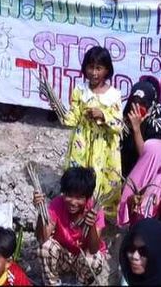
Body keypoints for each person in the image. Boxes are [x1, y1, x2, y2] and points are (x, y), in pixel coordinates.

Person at [63, 46, 122, 212]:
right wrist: (59, 110)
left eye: (99, 68)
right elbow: (72, 118)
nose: (94, 73)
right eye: (90, 67)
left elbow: (119, 125)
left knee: (98, 178)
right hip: (81, 142)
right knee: (78, 176)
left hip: (102, 146)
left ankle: (95, 214)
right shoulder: (80, 90)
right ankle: (76, 208)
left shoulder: (114, 95)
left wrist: (103, 115)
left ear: (107, 70)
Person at [33, 166, 110, 285]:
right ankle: (52, 283)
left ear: (87, 197)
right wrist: (40, 212)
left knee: (94, 260)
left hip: (82, 258)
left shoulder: (94, 210)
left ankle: (81, 282)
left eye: (79, 198)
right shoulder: (57, 204)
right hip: (63, 257)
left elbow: (94, 249)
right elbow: (42, 238)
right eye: (69, 195)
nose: (73, 202)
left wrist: (91, 225)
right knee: (44, 248)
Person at [117, 140, 161, 239]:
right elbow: (127, 206)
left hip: (156, 214)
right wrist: (133, 200)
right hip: (142, 221)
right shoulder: (134, 180)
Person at [121, 79, 161, 177]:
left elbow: (146, 157)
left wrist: (137, 129)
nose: (137, 107)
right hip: (123, 170)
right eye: (134, 102)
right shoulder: (125, 117)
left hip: (146, 172)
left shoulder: (155, 125)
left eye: (142, 103)